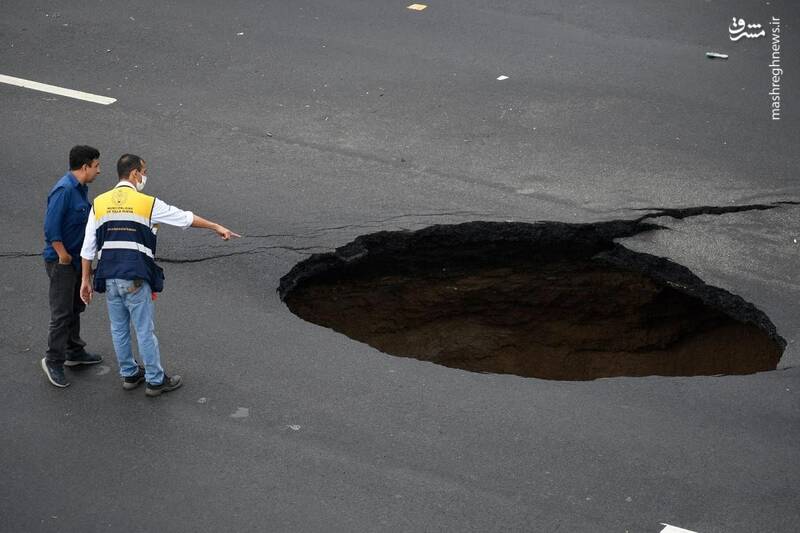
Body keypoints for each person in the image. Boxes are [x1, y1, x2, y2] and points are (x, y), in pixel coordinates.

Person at [79, 154, 240, 397]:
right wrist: (216, 226)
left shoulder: (99, 203)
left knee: (119, 329)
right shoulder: (147, 203)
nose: (145, 176)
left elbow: (88, 247)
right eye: (144, 171)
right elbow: (184, 218)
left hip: (108, 276)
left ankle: (130, 375)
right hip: (134, 276)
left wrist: (85, 280)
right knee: (144, 329)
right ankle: (155, 380)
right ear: (134, 173)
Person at [41, 145, 104, 388]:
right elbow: (51, 228)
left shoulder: (81, 189)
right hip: (63, 261)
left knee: (76, 305)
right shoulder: (64, 190)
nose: (99, 171)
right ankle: (53, 360)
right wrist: (63, 256)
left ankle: (73, 351)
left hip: (78, 260)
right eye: (96, 166)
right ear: (85, 166)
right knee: (61, 313)